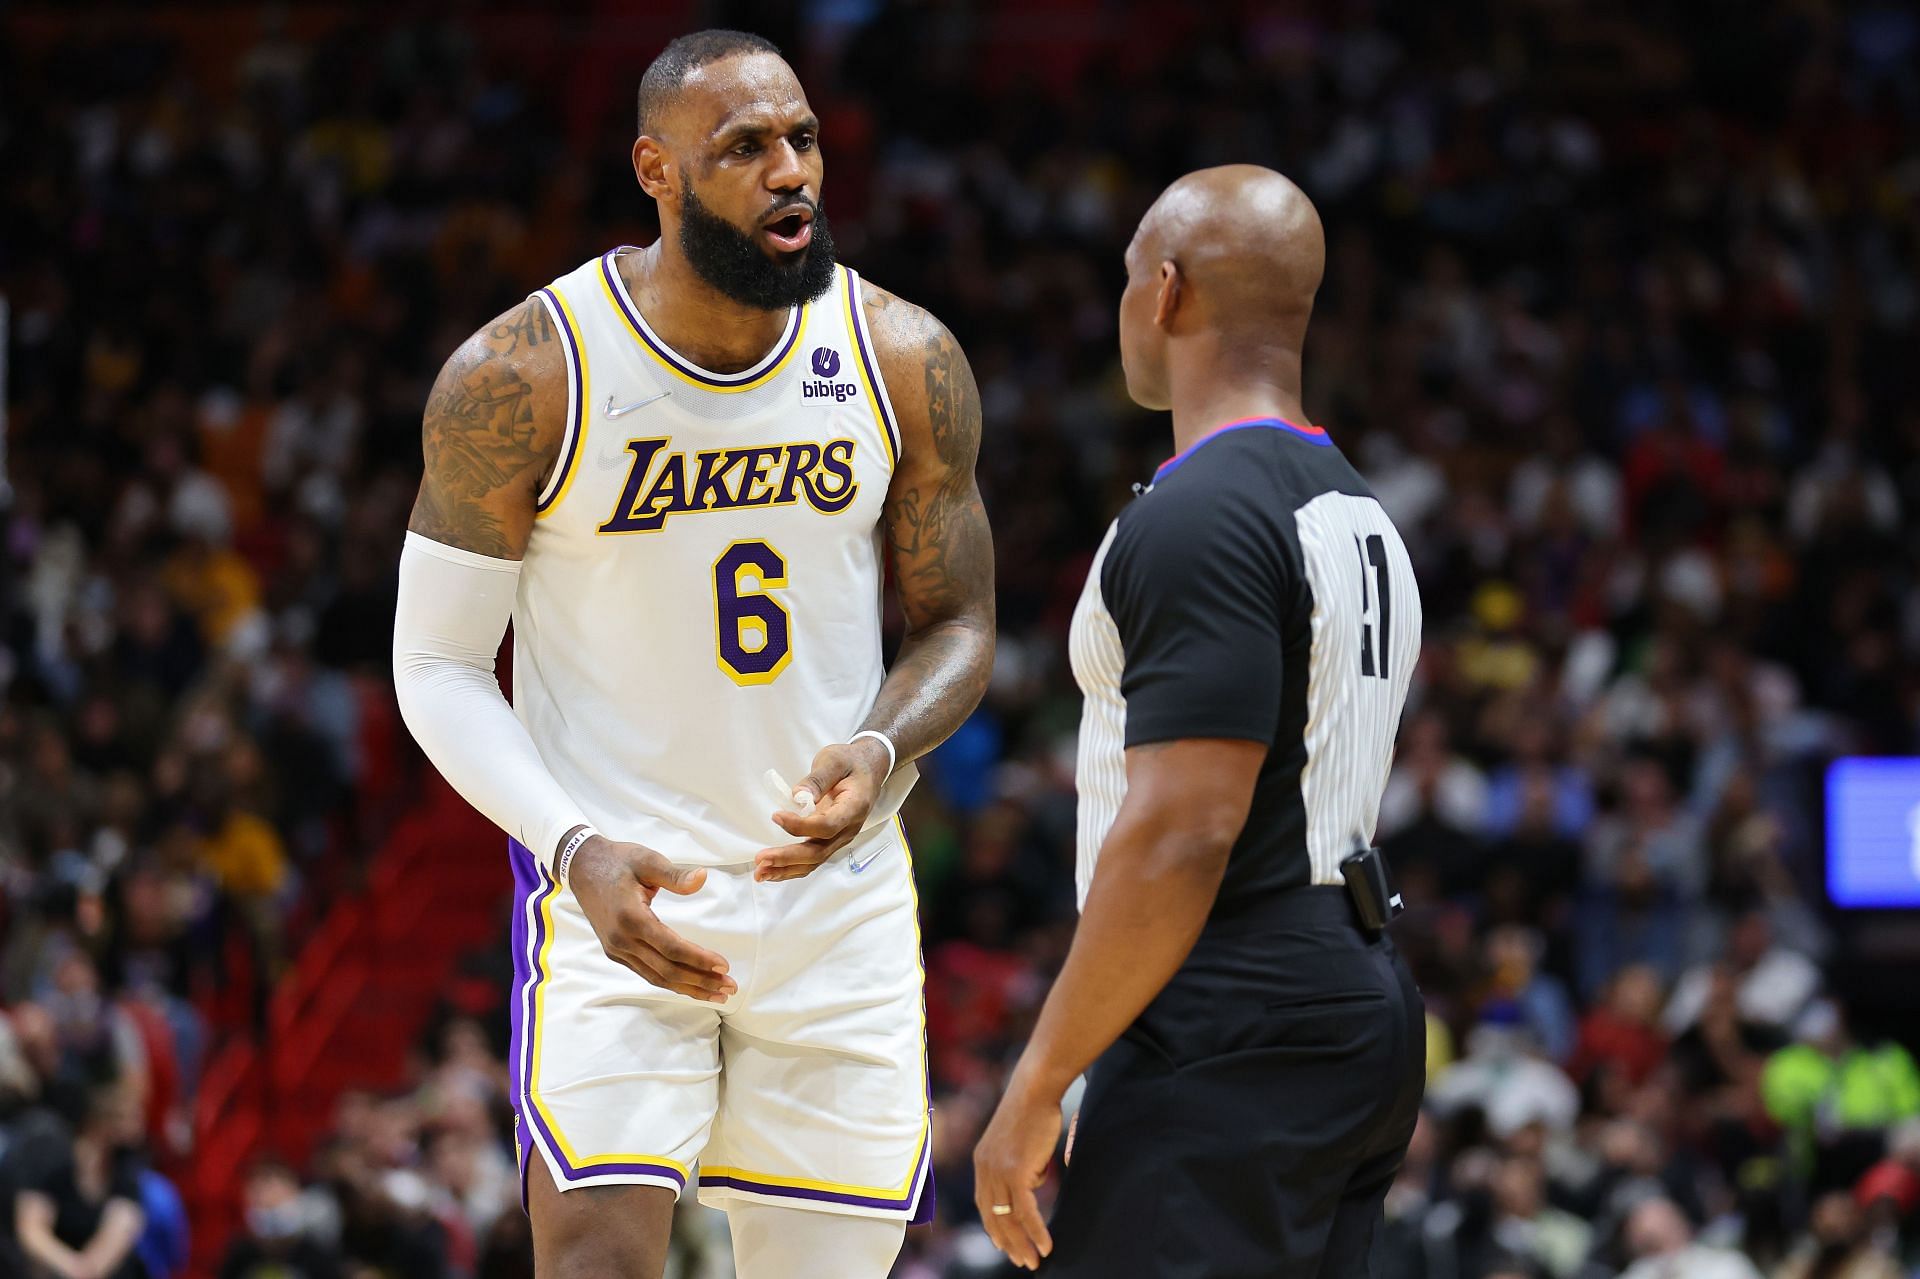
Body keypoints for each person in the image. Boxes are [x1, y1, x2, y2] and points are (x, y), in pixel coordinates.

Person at [390, 29, 995, 1279]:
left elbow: (960, 623)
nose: (792, 174)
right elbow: (439, 666)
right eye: (745, 148)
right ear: (655, 170)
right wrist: (569, 847)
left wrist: (883, 744)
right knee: (598, 1259)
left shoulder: (901, 356)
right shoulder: (525, 374)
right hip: (620, 893)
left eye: (803, 139)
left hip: (831, 903)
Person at [972, 165, 1425, 1275]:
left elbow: (1185, 832)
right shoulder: (1357, 506)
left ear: (1165, 292)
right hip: (1346, 984)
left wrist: (1034, 1082)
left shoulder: (1201, 512)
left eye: (1129, 277)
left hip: (1232, 1015)